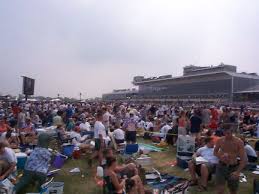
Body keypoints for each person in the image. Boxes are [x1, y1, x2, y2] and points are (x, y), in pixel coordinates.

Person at [214, 123, 246, 194]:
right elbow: (215, 152)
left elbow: (243, 159)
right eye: (225, 133)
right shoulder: (220, 140)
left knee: (233, 191)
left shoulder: (238, 142)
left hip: (233, 168)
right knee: (220, 190)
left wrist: (238, 172)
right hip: (221, 166)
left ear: (232, 132)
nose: (227, 135)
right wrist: (220, 157)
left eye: (228, 133)